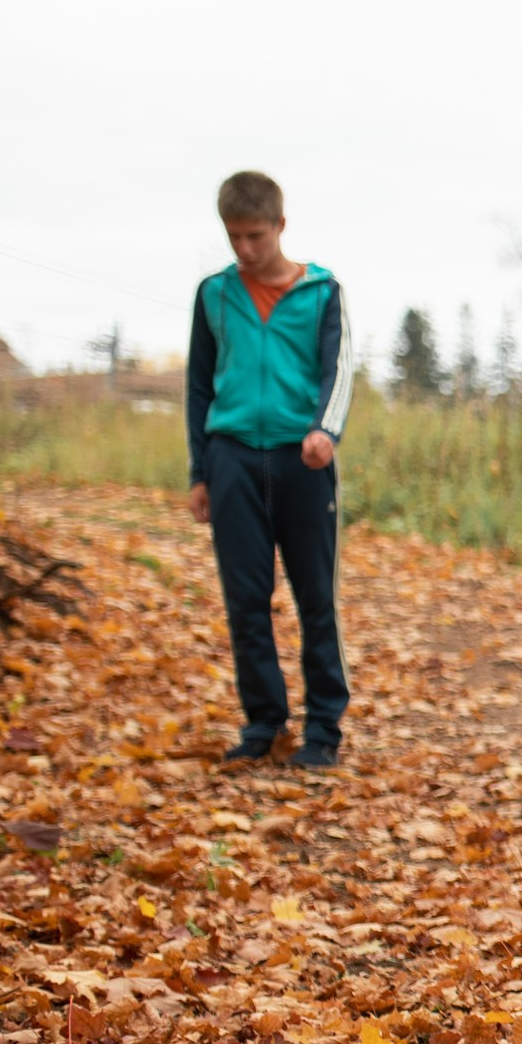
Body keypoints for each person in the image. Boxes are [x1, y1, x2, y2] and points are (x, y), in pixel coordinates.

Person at [184, 170, 354, 770]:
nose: (246, 250)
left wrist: (323, 431)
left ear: (280, 226)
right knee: (246, 599)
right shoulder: (214, 295)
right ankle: (262, 722)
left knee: (316, 598)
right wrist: (199, 471)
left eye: (256, 235)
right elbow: (199, 384)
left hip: (302, 460)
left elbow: (338, 371)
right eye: (235, 237)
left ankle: (324, 729)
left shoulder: (323, 292)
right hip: (232, 458)